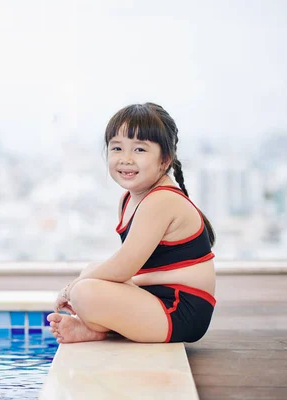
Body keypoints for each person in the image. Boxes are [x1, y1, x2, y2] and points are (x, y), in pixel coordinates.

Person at [47, 103, 217, 344]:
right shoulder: (129, 200)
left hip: (180, 310)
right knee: (91, 272)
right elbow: (134, 268)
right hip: (155, 299)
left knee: (85, 291)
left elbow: (124, 268)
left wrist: (71, 288)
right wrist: (87, 279)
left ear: (164, 159)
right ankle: (100, 329)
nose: (125, 159)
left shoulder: (162, 200)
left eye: (139, 149)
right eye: (117, 148)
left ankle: (103, 329)